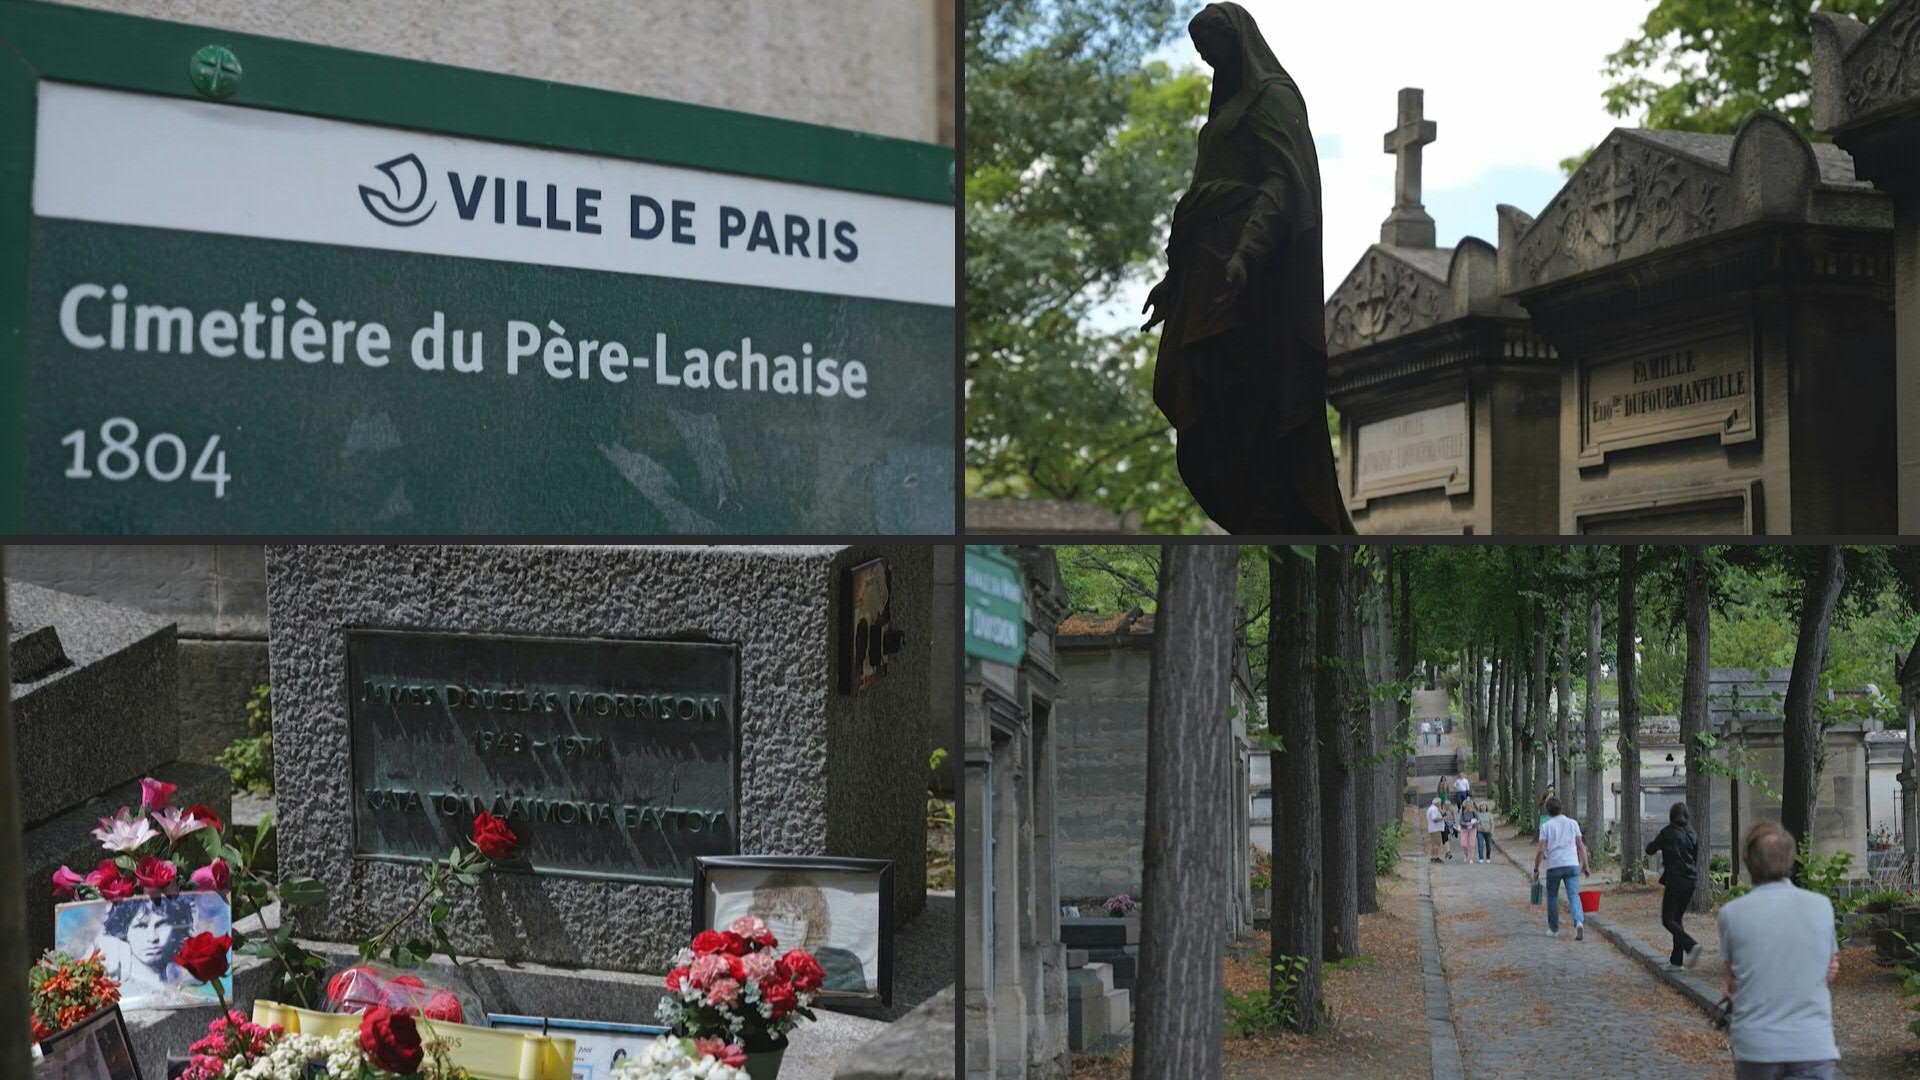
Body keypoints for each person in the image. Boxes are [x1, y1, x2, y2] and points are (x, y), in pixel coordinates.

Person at [1140, 2, 1354, 535]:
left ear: (1238, 41)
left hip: (1247, 283)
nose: (1207, 58)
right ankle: (1253, 505)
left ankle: (1274, 505)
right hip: (1203, 275)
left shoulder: (1272, 97)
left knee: (1245, 396)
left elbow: (1284, 183)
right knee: (1208, 399)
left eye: (1212, 46)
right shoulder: (1225, 112)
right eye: (1200, 50)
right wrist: (1173, 283)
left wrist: (1247, 252)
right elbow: (1203, 197)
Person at [1718, 821, 1839, 1079]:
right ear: (1790, 859)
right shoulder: (1822, 906)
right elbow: (1830, 970)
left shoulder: (1731, 913)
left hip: (1757, 1045)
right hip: (1812, 1043)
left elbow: (1732, 978)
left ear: (1748, 861)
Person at [1646, 801, 1702, 969]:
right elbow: (1695, 857)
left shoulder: (1667, 833)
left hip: (1675, 880)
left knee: (1668, 920)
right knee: (1677, 919)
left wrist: (1656, 844)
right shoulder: (1692, 834)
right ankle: (1676, 961)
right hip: (1690, 880)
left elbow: (1650, 849)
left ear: (1671, 816)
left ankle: (1691, 945)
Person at [1531, 797, 1590, 940]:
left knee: (1552, 897)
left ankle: (1554, 929)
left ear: (1548, 811)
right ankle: (1578, 922)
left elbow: (1541, 850)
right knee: (1574, 895)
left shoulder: (1546, 826)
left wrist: (1536, 868)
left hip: (1554, 865)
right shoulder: (1573, 823)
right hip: (1572, 864)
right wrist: (1586, 866)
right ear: (1561, 808)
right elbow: (1580, 846)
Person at [1458, 798, 1481, 864]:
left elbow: (1479, 820)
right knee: (1463, 844)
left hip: (1473, 828)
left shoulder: (1474, 812)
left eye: (1470, 805)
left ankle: (1471, 858)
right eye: (1467, 805)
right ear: (1465, 805)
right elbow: (1460, 822)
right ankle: (1466, 854)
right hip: (1464, 829)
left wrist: (1474, 822)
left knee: (1472, 844)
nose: (1468, 806)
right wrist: (1466, 823)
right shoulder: (1462, 812)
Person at [1425, 797, 1445, 862]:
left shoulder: (1431, 808)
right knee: (1437, 844)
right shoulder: (1434, 809)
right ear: (1437, 803)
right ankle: (1436, 857)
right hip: (1436, 829)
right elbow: (1435, 819)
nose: (1440, 804)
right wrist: (1442, 818)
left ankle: (1433, 857)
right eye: (1440, 803)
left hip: (1432, 828)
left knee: (1433, 843)